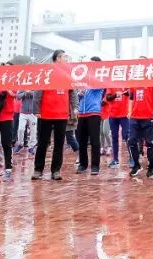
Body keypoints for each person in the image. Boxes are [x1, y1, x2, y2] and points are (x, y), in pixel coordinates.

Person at [32, 50, 77, 181]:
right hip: (45, 114)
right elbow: (38, 92)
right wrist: (36, 109)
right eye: (65, 57)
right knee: (42, 143)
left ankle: (56, 170)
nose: (67, 60)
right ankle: (38, 170)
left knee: (59, 143)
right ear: (58, 58)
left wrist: (75, 107)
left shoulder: (68, 74)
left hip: (62, 115)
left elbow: (73, 92)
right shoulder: (47, 72)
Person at [127, 84, 153, 177]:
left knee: (149, 143)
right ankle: (136, 165)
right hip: (134, 117)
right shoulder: (134, 82)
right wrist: (129, 111)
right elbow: (131, 98)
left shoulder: (152, 81)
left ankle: (151, 168)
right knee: (131, 141)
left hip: (148, 117)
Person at [76, 83, 105, 175]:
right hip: (81, 113)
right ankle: (83, 164)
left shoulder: (96, 81)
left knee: (94, 140)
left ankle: (95, 166)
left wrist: (88, 84)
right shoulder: (81, 83)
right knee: (81, 141)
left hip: (94, 113)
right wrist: (79, 93)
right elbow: (78, 97)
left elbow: (99, 86)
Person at [106, 86, 130, 167]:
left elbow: (132, 94)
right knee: (114, 137)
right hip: (113, 115)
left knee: (127, 136)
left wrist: (128, 93)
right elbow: (108, 98)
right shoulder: (111, 84)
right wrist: (115, 95)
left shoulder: (126, 83)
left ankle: (132, 158)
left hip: (124, 115)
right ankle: (115, 159)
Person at [14, 90, 38, 155]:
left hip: (33, 113)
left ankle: (31, 146)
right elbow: (18, 97)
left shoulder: (35, 86)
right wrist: (25, 93)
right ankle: (20, 144)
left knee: (33, 130)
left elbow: (37, 95)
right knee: (20, 129)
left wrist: (30, 92)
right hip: (23, 113)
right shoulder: (23, 87)